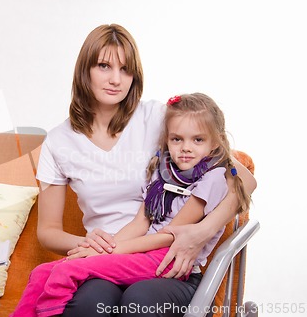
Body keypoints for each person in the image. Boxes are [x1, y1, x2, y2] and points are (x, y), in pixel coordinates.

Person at [32, 24, 257, 317]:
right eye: (104, 66)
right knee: (89, 306)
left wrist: (201, 231)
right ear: (84, 70)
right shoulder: (59, 141)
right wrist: (88, 245)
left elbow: (245, 181)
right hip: (106, 259)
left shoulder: (159, 118)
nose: (116, 79)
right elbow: (47, 231)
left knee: (142, 302)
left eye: (126, 70)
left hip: (167, 256)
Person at [11, 93, 251, 317]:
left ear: (215, 143)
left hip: (167, 257)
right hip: (140, 250)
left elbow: (171, 236)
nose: (186, 147)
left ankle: (50, 310)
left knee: (68, 272)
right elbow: (140, 222)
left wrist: (112, 251)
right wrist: (103, 248)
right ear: (167, 140)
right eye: (177, 139)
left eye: (198, 140)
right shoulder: (163, 172)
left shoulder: (213, 177)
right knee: (41, 273)